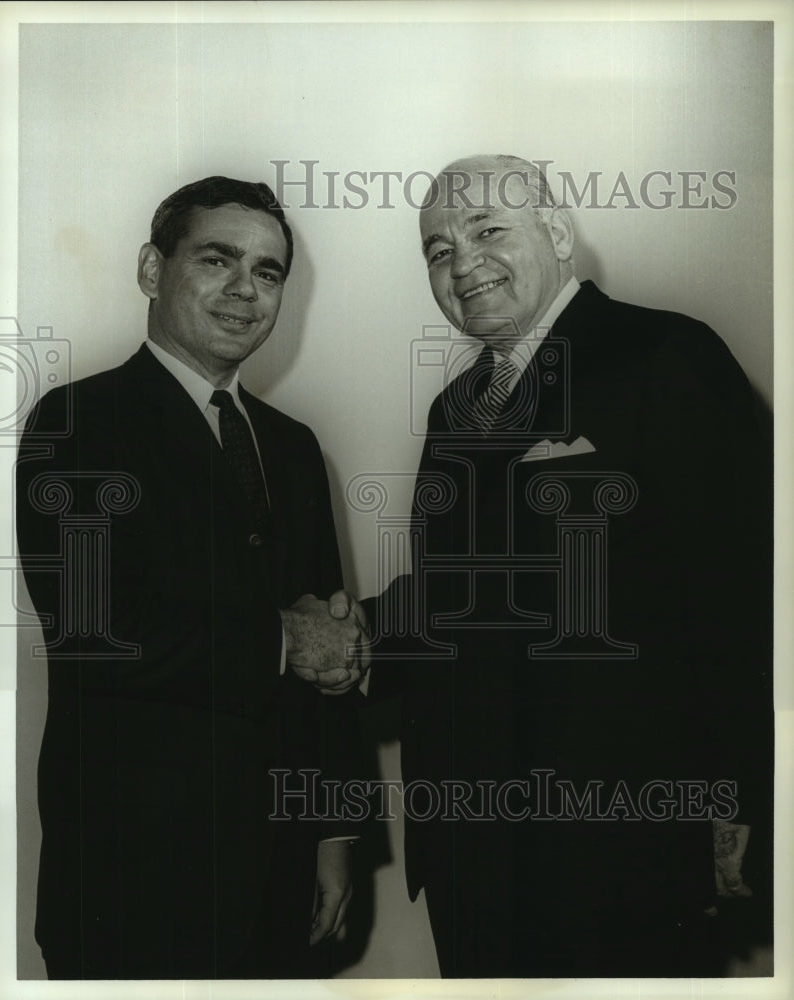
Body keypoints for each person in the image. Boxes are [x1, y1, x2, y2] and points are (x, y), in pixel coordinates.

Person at [317, 155, 773, 977]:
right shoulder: (452, 409)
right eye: (436, 249)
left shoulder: (665, 352)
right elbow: (460, 599)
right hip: (471, 856)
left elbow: (743, 591)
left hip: (622, 846)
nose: (461, 262)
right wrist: (359, 639)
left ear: (557, 234)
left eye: (487, 229)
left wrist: (738, 797)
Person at [16, 176, 367, 979]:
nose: (245, 291)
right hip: (132, 885)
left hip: (281, 879)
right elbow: (95, 629)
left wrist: (334, 834)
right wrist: (284, 638)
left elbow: (334, 650)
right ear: (151, 269)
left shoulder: (294, 446)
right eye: (217, 260)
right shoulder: (77, 424)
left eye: (268, 272)